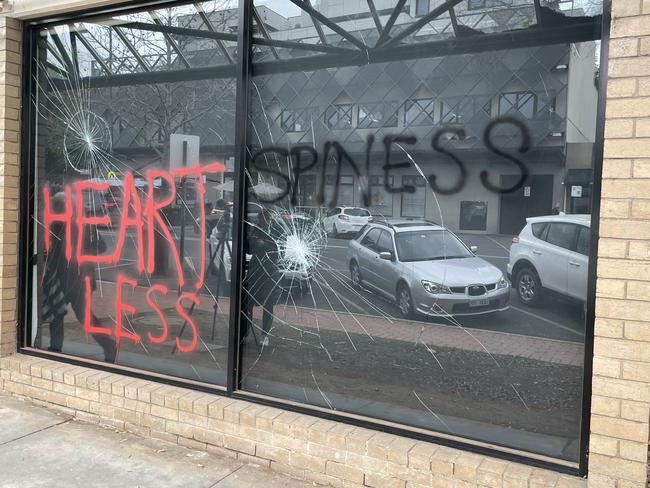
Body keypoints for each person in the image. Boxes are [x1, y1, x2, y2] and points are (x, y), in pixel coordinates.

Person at [41, 188, 117, 362]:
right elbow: (101, 247)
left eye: (57, 206)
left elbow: (53, 252)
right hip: (73, 277)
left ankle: (106, 344)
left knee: (64, 313)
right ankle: (57, 347)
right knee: (67, 314)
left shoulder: (66, 224)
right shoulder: (74, 223)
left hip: (72, 278)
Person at [241, 207, 281, 348]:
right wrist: (251, 242)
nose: (262, 219)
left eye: (265, 216)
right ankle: (245, 333)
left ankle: (265, 334)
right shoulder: (255, 229)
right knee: (248, 302)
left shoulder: (277, 231)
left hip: (269, 271)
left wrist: (262, 244)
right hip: (255, 270)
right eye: (261, 216)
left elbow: (278, 251)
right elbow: (248, 250)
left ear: (270, 218)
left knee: (268, 304)